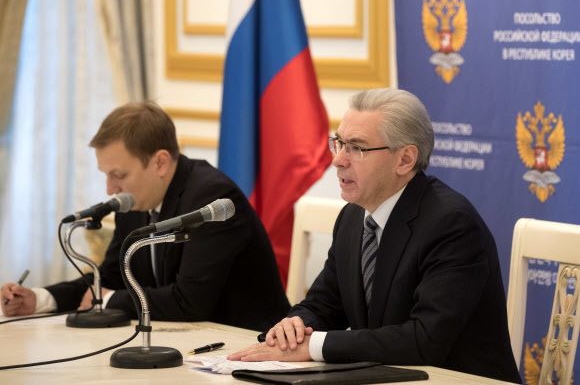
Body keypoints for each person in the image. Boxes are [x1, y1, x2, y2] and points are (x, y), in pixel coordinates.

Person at [229, 88, 522, 383]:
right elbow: (324, 304)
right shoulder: (354, 216)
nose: (338, 160)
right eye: (339, 143)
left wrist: (314, 346)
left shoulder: (452, 225)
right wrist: (295, 327)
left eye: (357, 148)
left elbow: (424, 340)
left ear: (405, 159)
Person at [0, 101, 290, 331]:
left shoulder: (210, 198)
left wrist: (112, 300)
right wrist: (41, 299)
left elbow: (189, 302)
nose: (111, 189)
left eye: (119, 175)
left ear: (160, 162)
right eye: (106, 176)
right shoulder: (137, 200)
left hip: (244, 345)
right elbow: (113, 275)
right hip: (189, 344)